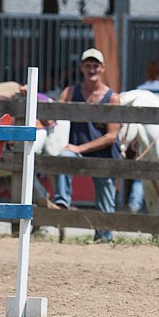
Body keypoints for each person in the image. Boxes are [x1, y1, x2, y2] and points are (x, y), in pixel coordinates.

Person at [53, 48, 121, 242]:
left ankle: (103, 239)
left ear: (102, 69)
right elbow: (54, 119)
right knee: (63, 158)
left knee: (105, 203)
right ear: (82, 67)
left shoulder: (112, 97)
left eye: (96, 66)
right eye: (88, 65)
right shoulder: (70, 92)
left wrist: (80, 148)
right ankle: (62, 202)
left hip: (104, 154)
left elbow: (112, 136)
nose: (92, 69)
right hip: (75, 151)